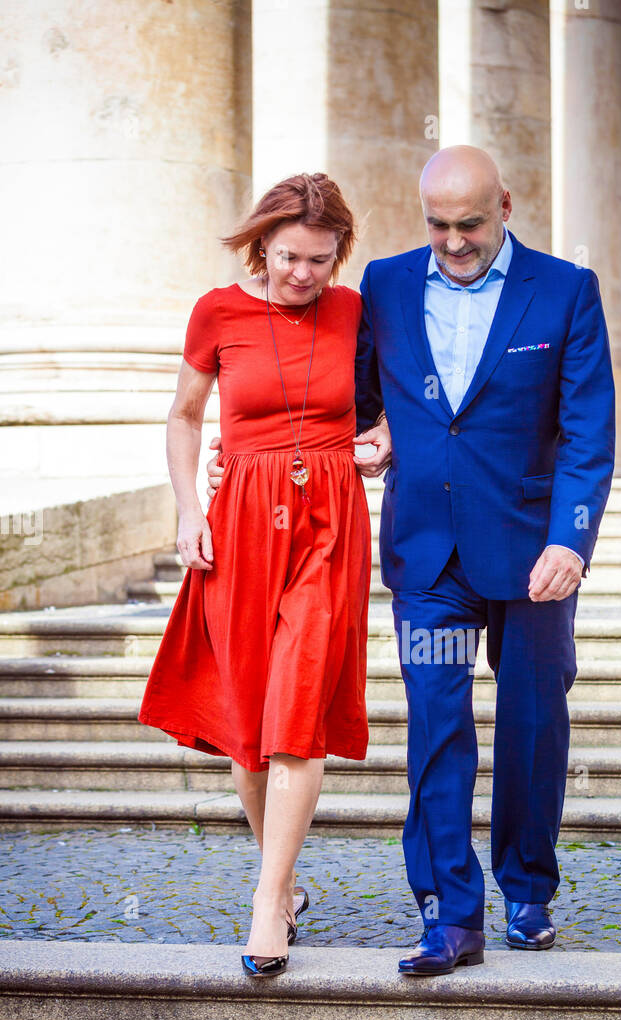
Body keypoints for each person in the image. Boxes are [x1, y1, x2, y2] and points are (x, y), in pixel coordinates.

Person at [209, 145, 616, 978]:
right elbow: (345, 396)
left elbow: (588, 430)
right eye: (438, 224)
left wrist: (571, 540)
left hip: (533, 552)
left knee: (535, 724)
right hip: (428, 554)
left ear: (505, 204)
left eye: (470, 224)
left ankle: (529, 892)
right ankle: (447, 916)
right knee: (436, 727)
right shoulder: (388, 288)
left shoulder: (567, 291)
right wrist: (251, 449)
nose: (455, 241)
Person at [138, 173, 390, 978]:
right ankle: (285, 881)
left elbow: (385, 413)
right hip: (241, 520)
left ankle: (266, 901)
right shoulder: (218, 311)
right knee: (247, 727)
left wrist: (382, 439)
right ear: (261, 246)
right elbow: (184, 416)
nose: (303, 275)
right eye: (288, 257)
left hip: (328, 523)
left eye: (320, 259)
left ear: (339, 253)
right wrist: (188, 510)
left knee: (297, 709)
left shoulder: (355, 313)